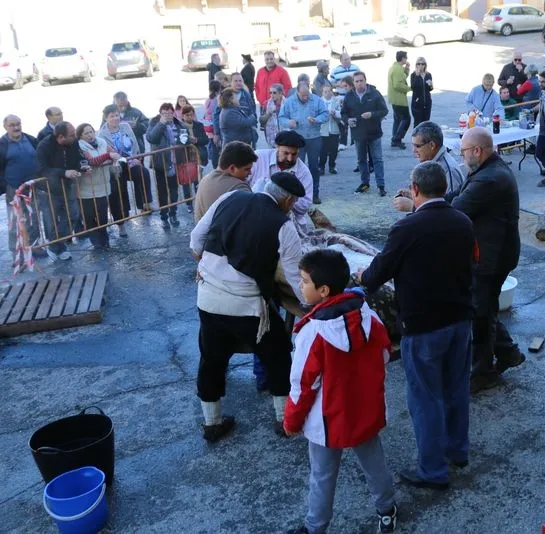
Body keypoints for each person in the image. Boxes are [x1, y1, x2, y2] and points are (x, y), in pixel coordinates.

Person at [358, 161, 475, 491]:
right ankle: (457, 451)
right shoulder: (462, 220)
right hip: (460, 319)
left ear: (415, 190)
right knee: (455, 389)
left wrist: (362, 277)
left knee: (424, 399)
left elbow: (376, 274)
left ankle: (433, 470)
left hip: (424, 326)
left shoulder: (407, 227)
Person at [284, 249, 397, 534]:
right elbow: (385, 353)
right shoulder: (368, 315)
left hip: (327, 420)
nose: (300, 285)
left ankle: (315, 527)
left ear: (323, 290)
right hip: (366, 409)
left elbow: (302, 385)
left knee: (322, 475)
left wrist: (291, 422)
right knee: (375, 464)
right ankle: (386, 510)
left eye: (304, 281)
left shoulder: (312, 332)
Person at [189, 172, 307, 442]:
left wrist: (206, 267)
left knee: (211, 360)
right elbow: (294, 278)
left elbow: (196, 240)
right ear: (287, 200)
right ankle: (283, 420)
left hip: (208, 300)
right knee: (278, 355)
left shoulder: (229, 198)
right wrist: (312, 305)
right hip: (249, 307)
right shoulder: (284, 226)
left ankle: (212, 423)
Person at [449, 127, 524, 393]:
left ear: (477, 151)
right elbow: (457, 196)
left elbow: (457, 208)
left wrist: (419, 207)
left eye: (464, 151)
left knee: (480, 312)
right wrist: (426, 198)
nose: (461, 156)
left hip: (493, 257)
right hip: (490, 253)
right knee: (483, 307)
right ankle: (508, 353)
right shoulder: (485, 170)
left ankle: (483, 372)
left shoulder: (490, 178)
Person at [34, 122, 83, 261]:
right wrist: (64, 172)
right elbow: (42, 169)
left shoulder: (73, 142)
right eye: (72, 135)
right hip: (48, 189)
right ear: (61, 137)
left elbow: (77, 159)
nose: (75, 137)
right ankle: (57, 247)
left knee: (73, 214)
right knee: (52, 221)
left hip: (67, 185)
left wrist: (83, 167)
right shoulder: (44, 146)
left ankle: (56, 245)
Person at [393, 122, 465, 212]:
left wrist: (413, 207)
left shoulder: (448, 170)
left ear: (432, 145)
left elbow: (450, 211)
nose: (413, 150)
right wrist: (416, 196)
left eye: (417, 146)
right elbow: (437, 199)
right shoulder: (437, 163)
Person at [99, 105, 147, 236]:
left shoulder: (125, 126)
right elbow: (105, 152)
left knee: (143, 172)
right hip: (115, 165)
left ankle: (144, 203)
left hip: (130, 160)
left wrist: (138, 158)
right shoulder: (102, 134)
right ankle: (121, 222)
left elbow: (134, 142)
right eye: (112, 116)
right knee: (118, 191)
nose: (115, 118)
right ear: (106, 118)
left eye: (116, 115)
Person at [249, 130, 315, 220]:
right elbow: (242, 183)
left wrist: (281, 200)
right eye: (286, 153)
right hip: (255, 214)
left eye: (294, 154)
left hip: (288, 219)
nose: (290, 158)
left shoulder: (303, 172)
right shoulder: (258, 157)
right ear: (277, 147)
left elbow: (304, 206)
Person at [342, 71, 388, 196]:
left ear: (365, 81)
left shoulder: (374, 93)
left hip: (374, 133)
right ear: (354, 83)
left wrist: (372, 114)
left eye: (361, 80)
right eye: (356, 81)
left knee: (377, 159)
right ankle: (365, 183)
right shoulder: (349, 96)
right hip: (358, 134)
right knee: (361, 160)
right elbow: (343, 113)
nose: (359, 83)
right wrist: (347, 120)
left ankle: (381, 185)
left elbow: (384, 110)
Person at [146, 103, 191, 229]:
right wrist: (161, 123)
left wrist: (185, 139)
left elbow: (186, 139)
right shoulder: (154, 123)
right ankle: (164, 216)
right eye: (165, 113)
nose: (168, 116)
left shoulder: (179, 124)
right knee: (162, 192)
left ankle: (173, 213)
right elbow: (152, 138)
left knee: (174, 190)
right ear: (160, 114)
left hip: (176, 162)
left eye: (170, 113)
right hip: (161, 163)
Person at [1, 115, 40, 252]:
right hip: (13, 189)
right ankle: (16, 252)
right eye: (12, 125)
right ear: (5, 127)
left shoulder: (30, 139)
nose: (16, 127)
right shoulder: (2, 145)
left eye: (18, 124)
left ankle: (35, 247)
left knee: (34, 219)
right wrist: (5, 186)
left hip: (32, 187)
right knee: (15, 221)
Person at [75, 124, 116, 250]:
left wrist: (110, 157)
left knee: (102, 216)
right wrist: (108, 157)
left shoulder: (102, 142)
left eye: (91, 131)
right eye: (86, 133)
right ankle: (96, 242)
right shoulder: (80, 146)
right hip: (86, 188)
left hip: (103, 185)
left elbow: (114, 152)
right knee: (89, 216)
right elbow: (91, 161)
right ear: (80, 136)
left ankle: (105, 239)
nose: (90, 135)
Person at [193, 141, 257, 221]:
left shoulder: (205, 179)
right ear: (232, 168)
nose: (250, 173)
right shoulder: (239, 188)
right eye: (247, 169)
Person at [388, 51, 411, 149]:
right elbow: (397, 85)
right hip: (399, 99)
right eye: (406, 58)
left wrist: (407, 69)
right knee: (406, 119)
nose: (407, 59)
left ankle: (395, 138)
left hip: (394, 98)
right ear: (403, 59)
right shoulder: (397, 69)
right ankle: (397, 139)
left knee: (397, 120)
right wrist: (409, 88)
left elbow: (403, 77)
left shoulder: (396, 67)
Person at [319, 83, 343, 176]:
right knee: (322, 151)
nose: (327, 93)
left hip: (334, 129)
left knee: (334, 150)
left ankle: (332, 166)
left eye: (329, 91)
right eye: (325, 92)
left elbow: (341, 114)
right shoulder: (319, 102)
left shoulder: (337, 101)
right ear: (322, 92)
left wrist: (335, 113)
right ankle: (321, 167)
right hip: (322, 130)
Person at [204, 81, 224, 168]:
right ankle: (217, 166)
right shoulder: (217, 100)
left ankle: (214, 166)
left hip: (208, 126)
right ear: (219, 88)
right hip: (215, 126)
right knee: (218, 148)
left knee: (213, 146)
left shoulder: (208, 100)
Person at [409, 56, 432, 127]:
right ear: (416, 65)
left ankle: (425, 138)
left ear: (425, 65)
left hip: (427, 102)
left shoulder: (428, 75)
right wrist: (417, 75)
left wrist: (430, 85)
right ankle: (415, 138)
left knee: (426, 123)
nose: (420, 66)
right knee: (417, 123)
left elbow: (430, 89)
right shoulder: (413, 75)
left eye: (422, 64)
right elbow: (413, 87)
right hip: (417, 103)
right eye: (418, 64)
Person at [261, 83, 285, 148]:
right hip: (272, 137)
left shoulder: (288, 103)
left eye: (274, 93)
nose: (271, 95)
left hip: (285, 135)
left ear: (280, 93)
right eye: (270, 92)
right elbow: (261, 121)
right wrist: (268, 113)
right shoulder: (266, 103)